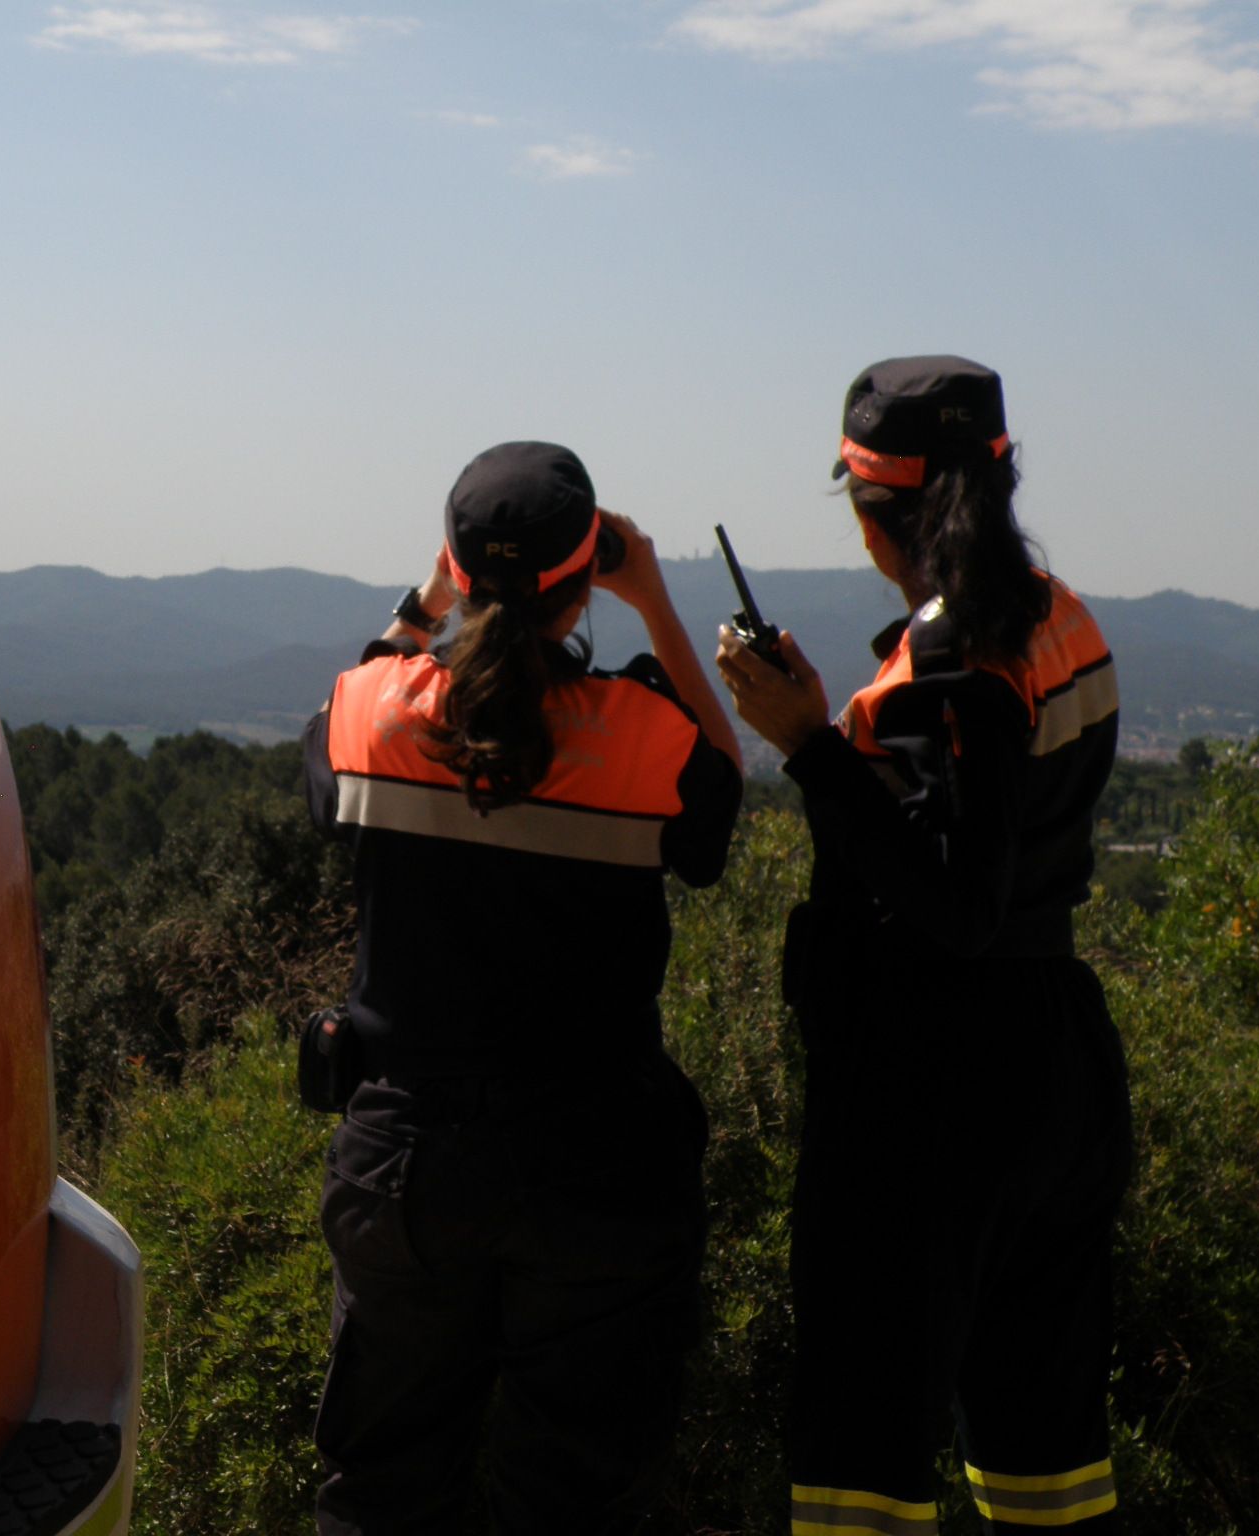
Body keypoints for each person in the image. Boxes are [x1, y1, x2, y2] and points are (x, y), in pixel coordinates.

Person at [714, 358, 1131, 1534]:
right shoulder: (1056, 617)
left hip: (925, 1095)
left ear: (865, 512)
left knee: (862, 1457)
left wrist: (807, 744)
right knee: (1044, 1445)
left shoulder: (944, 667)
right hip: (1054, 1064)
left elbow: (954, 904)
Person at [303, 441, 743, 1534]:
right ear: (585, 571)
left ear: (455, 565)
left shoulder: (372, 715)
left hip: (406, 1162)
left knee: (384, 1490)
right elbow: (721, 800)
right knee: (576, 1498)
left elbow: (356, 705)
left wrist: (429, 594)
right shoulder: (640, 733)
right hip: (597, 1168)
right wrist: (652, 605)